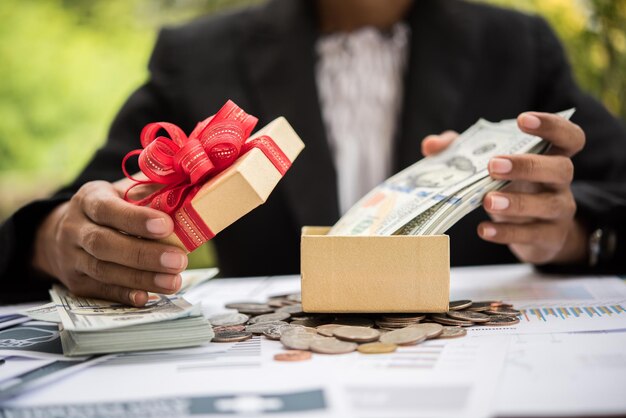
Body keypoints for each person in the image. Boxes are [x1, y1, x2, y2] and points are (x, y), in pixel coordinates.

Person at [2, 0, 626, 306]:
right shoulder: (198, 55)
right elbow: (86, 205)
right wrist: (57, 238)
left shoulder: (517, 44)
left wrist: (572, 234)